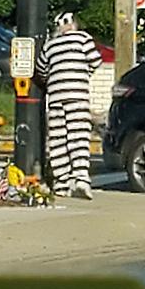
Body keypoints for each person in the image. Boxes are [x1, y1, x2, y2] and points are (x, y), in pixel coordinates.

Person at [36, 12, 102, 199]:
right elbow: (96, 61)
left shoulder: (50, 44)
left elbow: (41, 70)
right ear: (73, 24)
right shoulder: (83, 39)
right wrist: (83, 73)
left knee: (58, 139)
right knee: (78, 136)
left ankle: (61, 182)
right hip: (77, 95)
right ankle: (80, 178)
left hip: (56, 97)